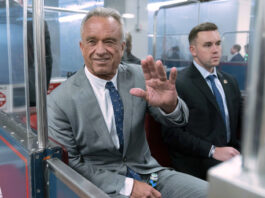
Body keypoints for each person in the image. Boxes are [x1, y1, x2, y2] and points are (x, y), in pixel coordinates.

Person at [47, 7, 207, 198]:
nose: (100, 50)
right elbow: (71, 164)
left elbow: (178, 121)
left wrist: (169, 106)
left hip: (151, 174)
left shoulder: (141, 76)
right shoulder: (59, 101)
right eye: (92, 41)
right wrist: (128, 186)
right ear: (82, 47)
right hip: (101, 186)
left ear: (122, 47)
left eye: (109, 42)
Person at [162, 22, 242, 180]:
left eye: (218, 43)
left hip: (230, 157)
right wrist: (213, 150)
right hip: (196, 161)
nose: (215, 50)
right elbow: (172, 134)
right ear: (193, 50)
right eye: (208, 45)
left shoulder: (230, 82)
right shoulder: (179, 83)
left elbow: (239, 125)